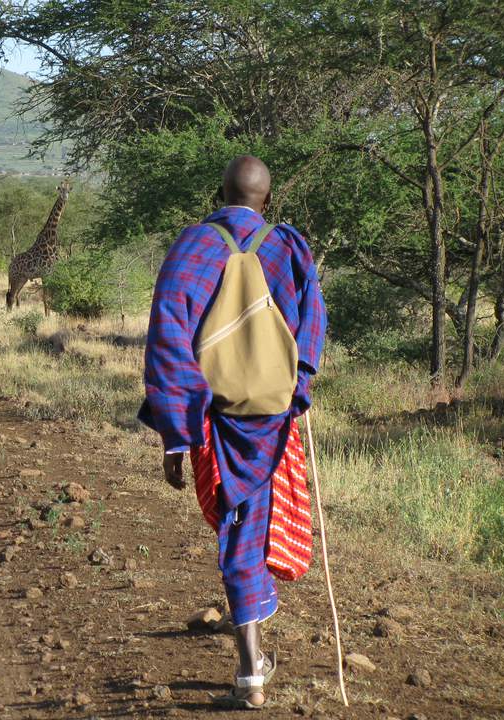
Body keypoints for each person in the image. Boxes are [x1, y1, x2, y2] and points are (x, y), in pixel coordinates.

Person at [139, 156, 327, 709]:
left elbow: (168, 336)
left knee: (235, 526)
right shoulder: (287, 245)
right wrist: (299, 389)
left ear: (219, 193)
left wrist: (177, 433)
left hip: (216, 417)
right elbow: (312, 322)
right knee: (251, 526)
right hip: (272, 417)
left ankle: (250, 668)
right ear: (266, 200)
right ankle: (252, 660)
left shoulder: (193, 246)